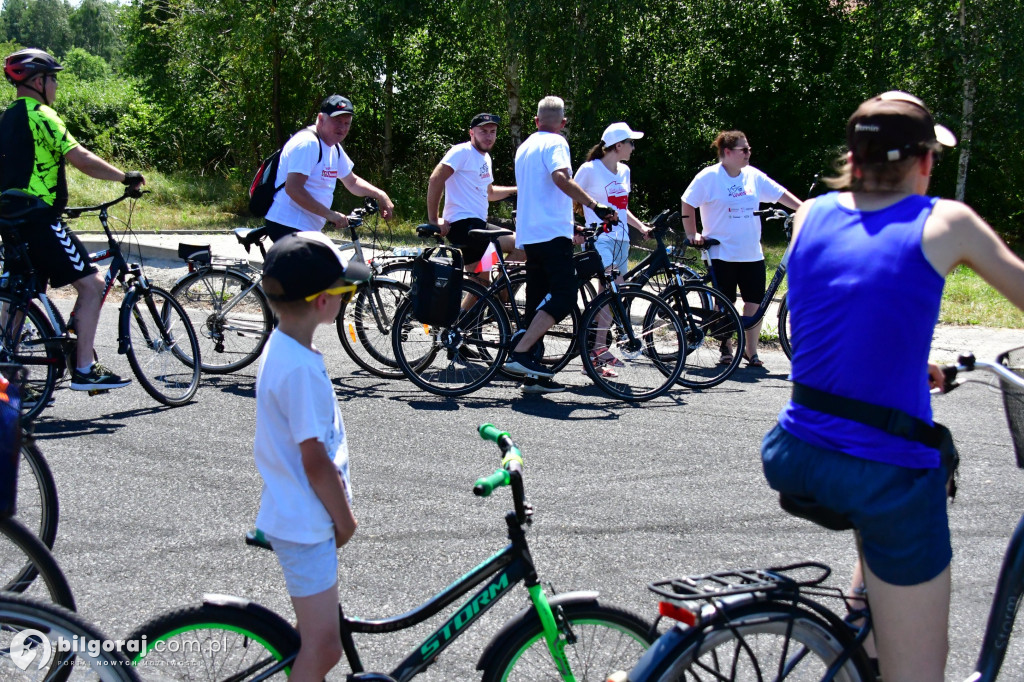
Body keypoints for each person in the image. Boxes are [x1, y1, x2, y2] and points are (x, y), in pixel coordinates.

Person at [760, 91, 1024, 682]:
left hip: (796, 448)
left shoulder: (812, 214)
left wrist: (907, 366)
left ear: (853, 158)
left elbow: (843, 309)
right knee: (921, 672)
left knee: (879, 599)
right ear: (925, 162)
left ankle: (865, 629)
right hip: (880, 472)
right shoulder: (945, 222)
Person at [253, 230, 371, 681]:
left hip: (296, 512)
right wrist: (344, 519)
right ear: (324, 301)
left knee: (313, 638)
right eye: (345, 289)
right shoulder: (300, 368)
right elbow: (315, 459)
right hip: (305, 522)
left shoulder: (285, 347)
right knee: (323, 649)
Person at [0, 48, 145, 392]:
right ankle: (84, 369)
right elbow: (82, 158)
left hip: (11, 220)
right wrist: (124, 177)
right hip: (38, 219)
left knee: (25, 290)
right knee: (93, 285)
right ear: (39, 82)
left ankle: (6, 375)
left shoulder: (6, 118)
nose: (56, 87)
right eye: (54, 79)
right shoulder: (42, 115)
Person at [506, 96, 616, 394]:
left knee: (537, 301)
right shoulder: (557, 144)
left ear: (536, 121)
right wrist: (595, 205)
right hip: (551, 235)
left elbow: (541, 193)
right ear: (563, 123)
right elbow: (559, 179)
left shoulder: (525, 146)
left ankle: (533, 376)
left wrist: (572, 224)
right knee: (565, 296)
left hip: (531, 233)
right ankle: (520, 352)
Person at [681, 130, 802, 369]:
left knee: (754, 302)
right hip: (722, 251)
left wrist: (805, 209)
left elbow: (780, 195)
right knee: (724, 301)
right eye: (743, 150)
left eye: (749, 149)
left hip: (751, 252)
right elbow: (688, 201)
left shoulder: (752, 176)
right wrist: (691, 233)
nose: (748, 153)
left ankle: (750, 350)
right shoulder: (709, 177)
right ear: (727, 152)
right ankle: (726, 346)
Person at [574, 122, 652, 375]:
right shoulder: (589, 169)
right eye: (630, 143)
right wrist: (571, 228)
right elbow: (568, 196)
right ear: (618, 145)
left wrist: (641, 227)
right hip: (601, 238)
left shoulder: (624, 171)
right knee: (610, 291)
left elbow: (621, 207)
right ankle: (598, 349)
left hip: (622, 240)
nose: (633, 147)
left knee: (612, 297)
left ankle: (593, 356)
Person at [264, 95, 394, 242]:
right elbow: (293, 189)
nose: (342, 128)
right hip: (288, 225)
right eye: (337, 121)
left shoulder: (333, 148)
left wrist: (380, 194)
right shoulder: (308, 144)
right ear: (321, 119)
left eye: (347, 123)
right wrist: (330, 214)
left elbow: (351, 182)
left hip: (307, 228)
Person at [426, 112, 521, 283]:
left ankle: (484, 305)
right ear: (472, 133)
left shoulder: (485, 158)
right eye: (483, 131)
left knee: (480, 286)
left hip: (475, 227)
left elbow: (489, 193)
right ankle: (502, 293)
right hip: (465, 226)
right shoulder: (463, 151)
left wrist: (519, 190)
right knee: (522, 244)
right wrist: (434, 218)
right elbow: (436, 178)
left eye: (492, 132)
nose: (489, 136)